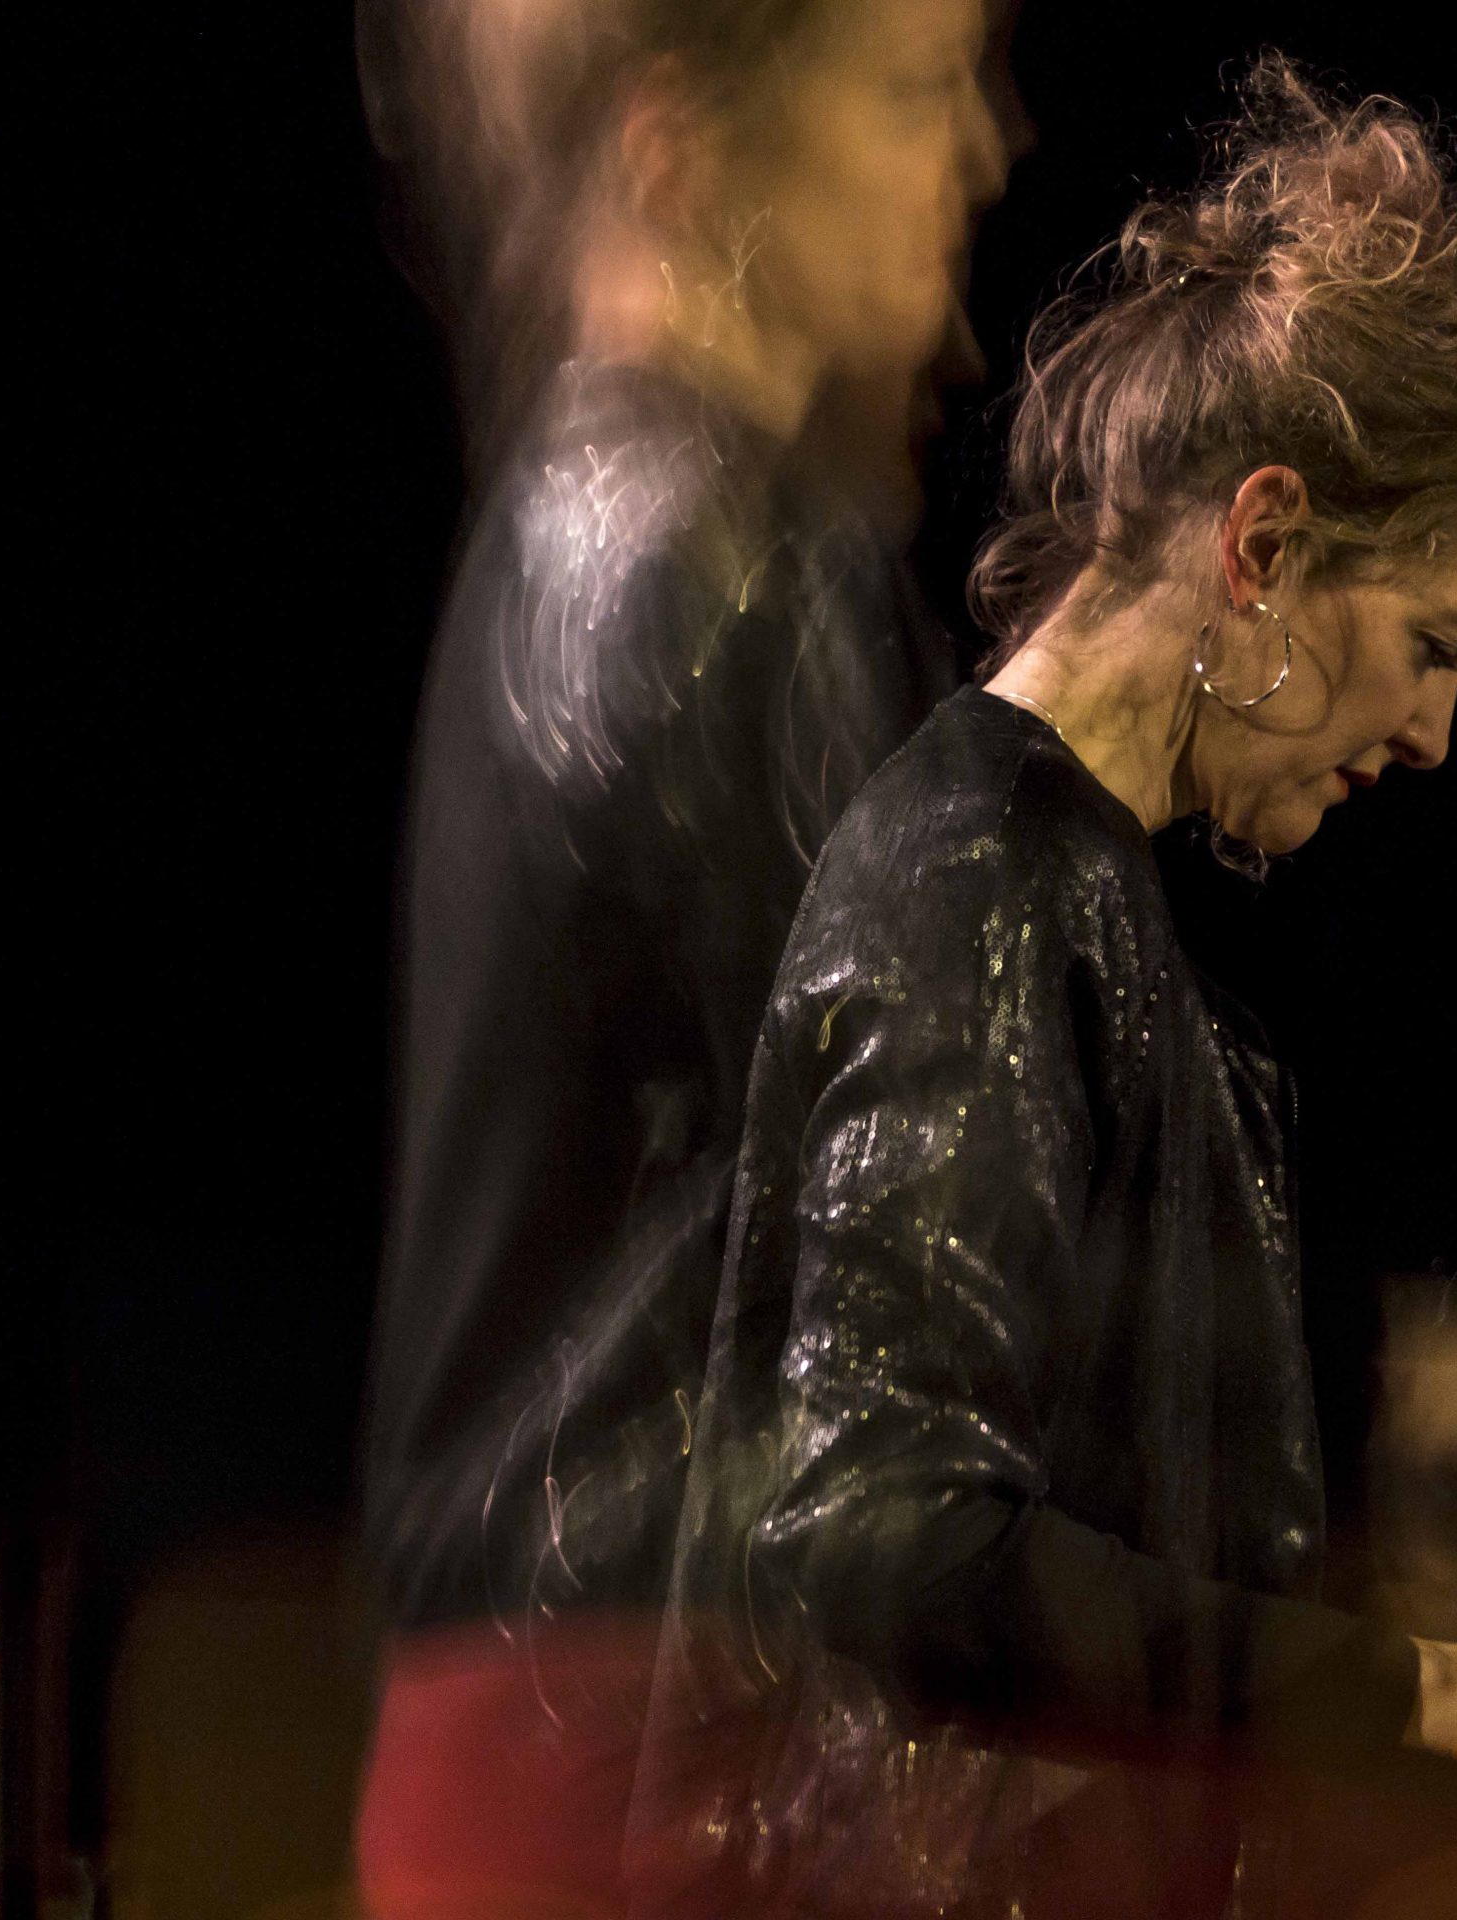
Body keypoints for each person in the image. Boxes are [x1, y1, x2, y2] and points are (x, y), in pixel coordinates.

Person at [625, 56, 1457, 1919]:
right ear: (1265, 547)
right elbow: (878, 1533)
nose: (1436, 736)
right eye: (1434, 648)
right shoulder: (980, 880)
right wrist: (1425, 1686)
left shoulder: (1068, 880)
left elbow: (1119, 1372)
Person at [351, 4, 1014, 1914]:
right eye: (912, 91)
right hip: (637, 1782)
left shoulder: (569, 512)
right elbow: (948, 1246)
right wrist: (1389, 1402)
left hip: (514, 1760)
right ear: (682, 154)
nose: (974, 152)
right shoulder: (719, 559)